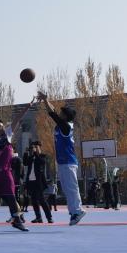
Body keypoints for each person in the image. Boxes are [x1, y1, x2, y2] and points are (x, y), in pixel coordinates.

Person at [38, 92, 85, 226]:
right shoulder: (62, 125)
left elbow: (52, 114)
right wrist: (45, 101)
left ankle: (78, 210)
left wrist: (46, 100)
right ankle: (73, 212)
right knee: (66, 188)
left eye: (62, 113)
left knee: (72, 187)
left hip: (69, 162)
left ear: (66, 116)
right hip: (63, 162)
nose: (60, 114)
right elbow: (53, 112)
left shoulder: (66, 127)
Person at [22, 141, 54, 224]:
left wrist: (37, 153)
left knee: (42, 200)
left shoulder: (42, 156)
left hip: (39, 182)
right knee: (34, 201)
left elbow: (41, 162)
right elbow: (25, 163)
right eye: (33, 147)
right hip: (31, 182)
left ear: (39, 147)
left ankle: (49, 217)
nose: (34, 149)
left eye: (35, 147)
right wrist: (26, 152)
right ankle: (38, 217)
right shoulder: (31, 157)